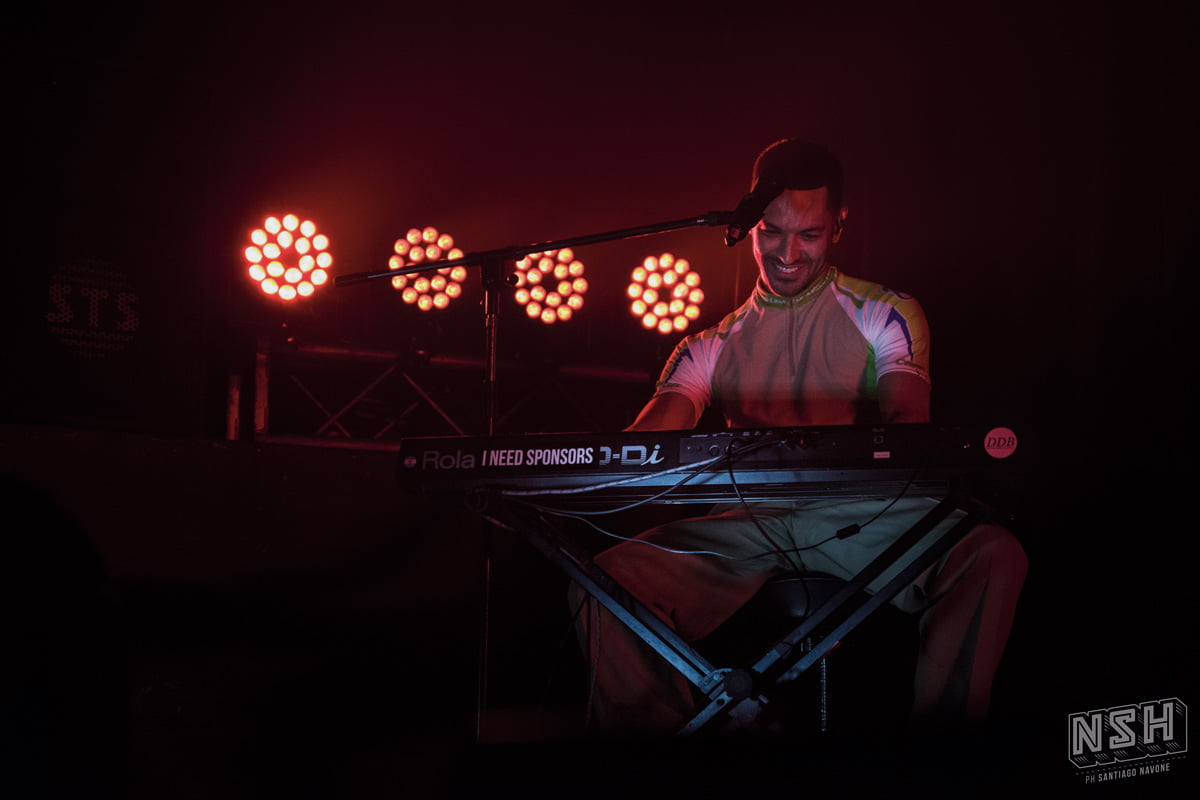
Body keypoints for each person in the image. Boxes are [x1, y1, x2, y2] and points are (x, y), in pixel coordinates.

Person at [569, 138, 1028, 737]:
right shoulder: (708, 345)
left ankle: (941, 758)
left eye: (808, 234)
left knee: (991, 554)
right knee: (603, 585)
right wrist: (557, 456)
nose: (787, 253)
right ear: (748, 225)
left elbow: (907, 424)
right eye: (771, 232)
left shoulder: (885, 312)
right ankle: (670, 765)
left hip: (861, 515)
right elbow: (644, 442)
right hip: (745, 525)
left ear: (838, 225)